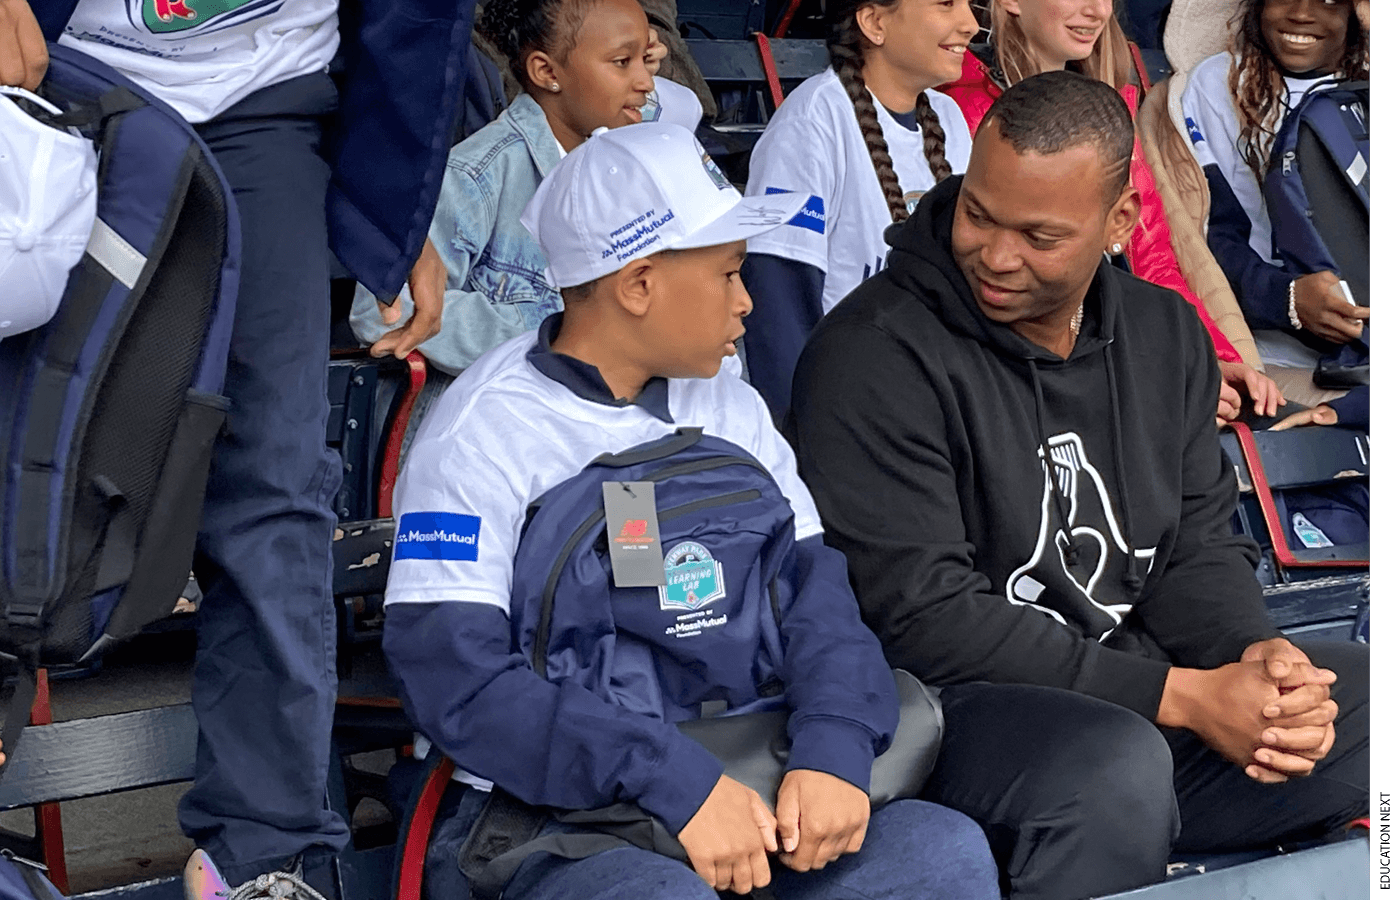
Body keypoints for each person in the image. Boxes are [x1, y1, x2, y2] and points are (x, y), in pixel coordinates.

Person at [380, 122, 1001, 900]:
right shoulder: (484, 431)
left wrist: (833, 745)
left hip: (753, 769)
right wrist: (674, 782)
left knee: (938, 853)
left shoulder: (732, 406)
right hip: (561, 820)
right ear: (639, 284)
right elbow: (458, 681)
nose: (748, 302)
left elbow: (822, 608)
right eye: (729, 274)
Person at [789, 71, 1369, 900]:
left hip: (1140, 690)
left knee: (1351, 697)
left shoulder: (1163, 331)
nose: (994, 254)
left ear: (1119, 222)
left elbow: (1196, 544)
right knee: (1111, 766)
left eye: (1038, 235)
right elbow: (918, 617)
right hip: (950, 714)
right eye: (978, 214)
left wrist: (1255, 660)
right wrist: (1183, 696)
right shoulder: (872, 354)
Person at [7, 0, 473, 897]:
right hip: (57, 71)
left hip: (266, 98)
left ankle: (264, 855)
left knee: (275, 486)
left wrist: (395, 199)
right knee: (20, 467)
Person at [941, 0, 1285, 428]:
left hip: (1118, 351)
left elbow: (1154, 260)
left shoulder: (1112, 109)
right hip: (1033, 379)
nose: (1097, 11)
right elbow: (1002, 286)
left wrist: (1209, 359)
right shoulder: (957, 108)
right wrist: (1157, 377)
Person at [349, 0, 704, 377]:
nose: (646, 82)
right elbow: (381, 311)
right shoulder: (479, 173)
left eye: (644, 60)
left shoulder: (622, 152)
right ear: (546, 71)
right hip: (501, 415)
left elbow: (683, 111)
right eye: (622, 62)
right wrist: (564, 331)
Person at [739, 0, 977, 422]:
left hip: (935, 399)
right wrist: (804, 435)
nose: (971, 25)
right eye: (945, 4)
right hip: (846, 409)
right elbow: (778, 303)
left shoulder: (949, 118)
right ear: (875, 22)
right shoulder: (813, 121)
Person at [1181, 0, 1369, 427]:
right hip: (1271, 350)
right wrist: (1286, 299)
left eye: (1328, 0)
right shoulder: (1218, 83)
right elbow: (1207, 233)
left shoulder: (1361, 86)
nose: (1302, 13)